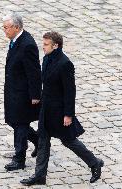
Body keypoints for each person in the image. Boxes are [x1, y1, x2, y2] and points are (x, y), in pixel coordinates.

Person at [20, 31, 104, 185]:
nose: (43, 47)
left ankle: (94, 163)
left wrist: (68, 114)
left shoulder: (65, 64)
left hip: (59, 112)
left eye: (46, 44)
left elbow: (70, 91)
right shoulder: (46, 59)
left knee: (69, 141)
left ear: (56, 46)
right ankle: (40, 175)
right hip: (46, 110)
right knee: (43, 141)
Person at [2, 13, 42, 171]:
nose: (4, 30)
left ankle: (19, 159)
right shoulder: (15, 40)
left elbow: (34, 72)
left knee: (19, 124)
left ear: (16, 27)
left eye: (6, 27)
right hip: (14, 90)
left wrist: (35, 96)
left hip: (23, 94)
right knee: (14, 121)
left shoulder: (27, 45)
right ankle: (38, 140)